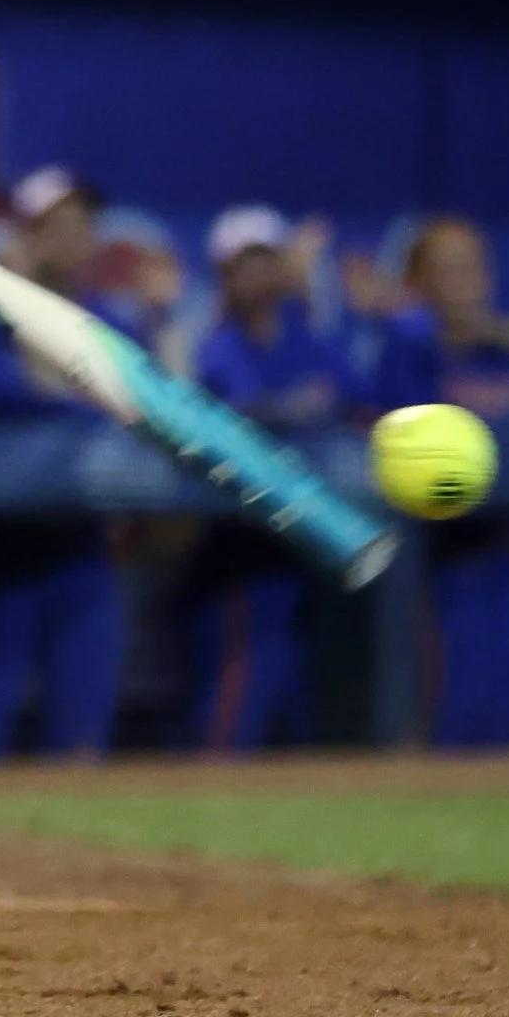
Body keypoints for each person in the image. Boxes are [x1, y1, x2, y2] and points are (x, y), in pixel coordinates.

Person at [367, 214, 509, 747]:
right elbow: (391, 406)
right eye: (446, 268)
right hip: (445, 577)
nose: (463, 281)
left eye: (470, 266)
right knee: (448, 745)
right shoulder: (413, 352)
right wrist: (415, 323)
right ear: (418, 283)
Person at [0, 167, 129, 759]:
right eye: (61, 227)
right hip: (4, 546)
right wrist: (19, 308)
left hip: (83, 543)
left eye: (86, 226)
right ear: (28, 238)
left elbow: (113, 406)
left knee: (83, 729)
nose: (79, 240)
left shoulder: (112, 322)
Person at [182, 206, 351, 751]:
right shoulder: (216, 345)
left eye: (267, 261)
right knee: (238, 699)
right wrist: (294, 409)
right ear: (223, 276)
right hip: (238, 550)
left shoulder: (309, 340)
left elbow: (357, 393)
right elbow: (227, 408)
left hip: (303, 548)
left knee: (296, 703)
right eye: (244, 264)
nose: (258, 276)